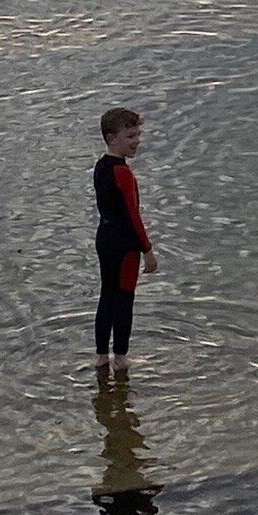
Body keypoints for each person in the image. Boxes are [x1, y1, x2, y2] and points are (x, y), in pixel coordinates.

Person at [93, 107, 158, 368]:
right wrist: (148, 250)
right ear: (112, 138)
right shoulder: (123, 173)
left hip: (105, 236)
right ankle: (120, 357)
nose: (137, 141)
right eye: (130, 136)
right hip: (124, 243)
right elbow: (133, 216)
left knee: (107, 295)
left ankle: (100, 356)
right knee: (124, 299)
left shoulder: (100, 166)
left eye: (138, 135)